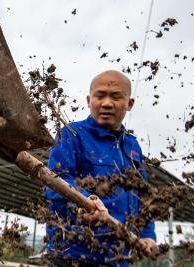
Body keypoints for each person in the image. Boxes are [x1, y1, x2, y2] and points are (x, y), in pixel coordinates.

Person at [45, 70, 157, 266]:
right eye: (100, 95)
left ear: (129, 103)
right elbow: (56, 183)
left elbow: (143, 196)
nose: (106, 103)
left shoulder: (132, 147)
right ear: (89, 100)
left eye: (115, 97)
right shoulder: (72, 135)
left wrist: (148, 235)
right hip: (75, 256)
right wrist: (84, 203)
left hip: (120, 258)